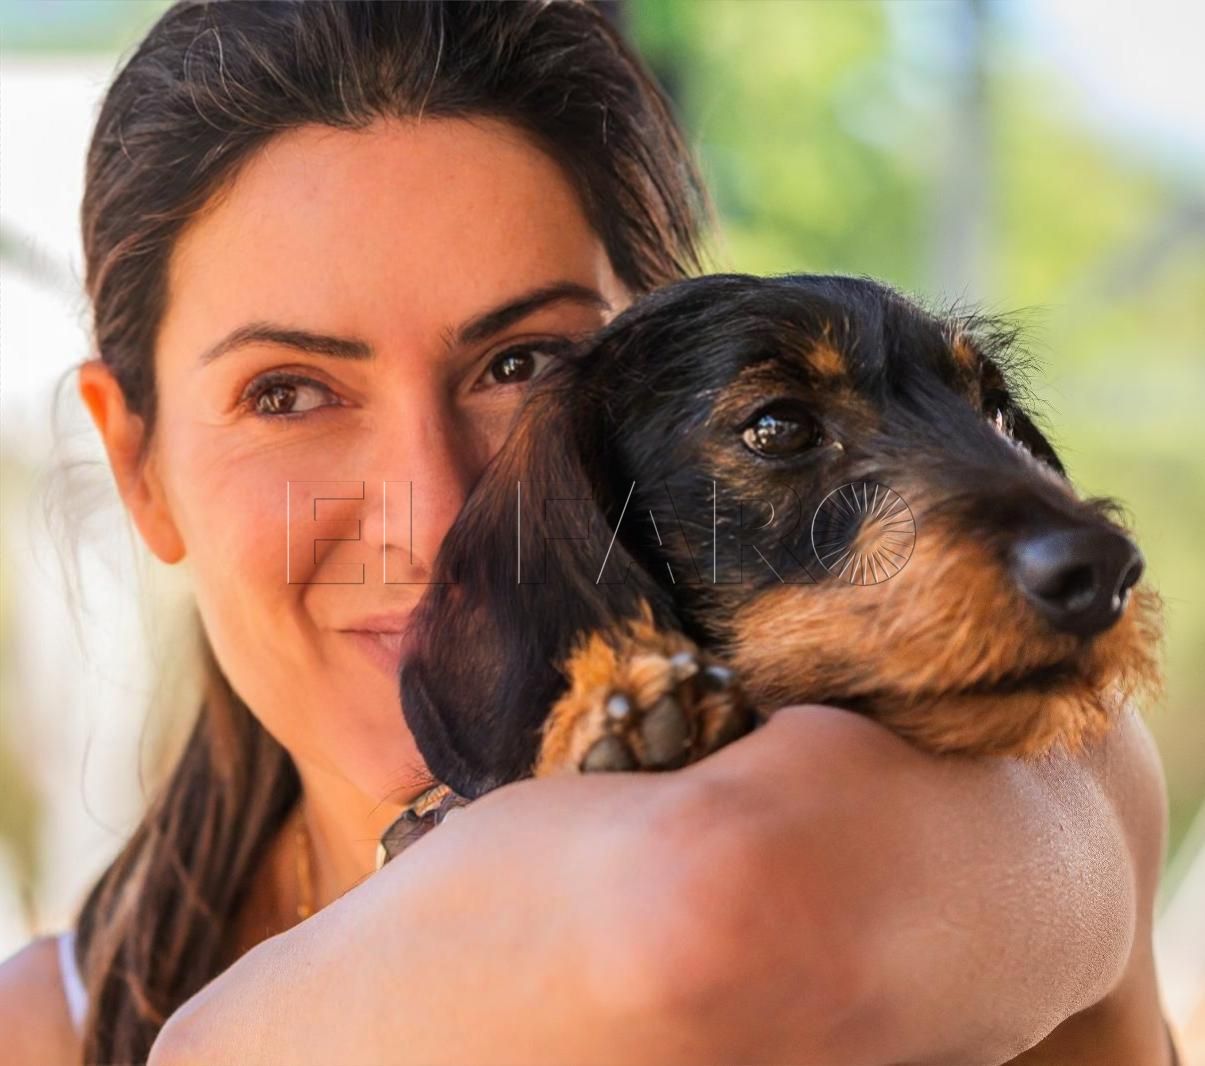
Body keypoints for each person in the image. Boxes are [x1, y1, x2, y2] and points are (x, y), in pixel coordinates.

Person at [0, 3, 1177, 1064]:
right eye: (287, 392)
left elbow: (697, 918)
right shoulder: (48, 1033)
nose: (437, 515)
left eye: (526, 365)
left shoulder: (1032, 773)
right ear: (138, 467)